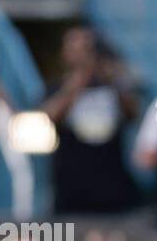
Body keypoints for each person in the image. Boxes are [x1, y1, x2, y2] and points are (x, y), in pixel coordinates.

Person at [41, 28, 140, 214]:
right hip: (71, 185)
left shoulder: (113, 85)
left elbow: (133, 113)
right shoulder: (58, 86)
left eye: (87, 50)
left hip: (111, 186)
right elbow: (51, 116)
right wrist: (78, 82)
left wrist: (114, 81)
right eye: (75, 50)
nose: (82, 57)